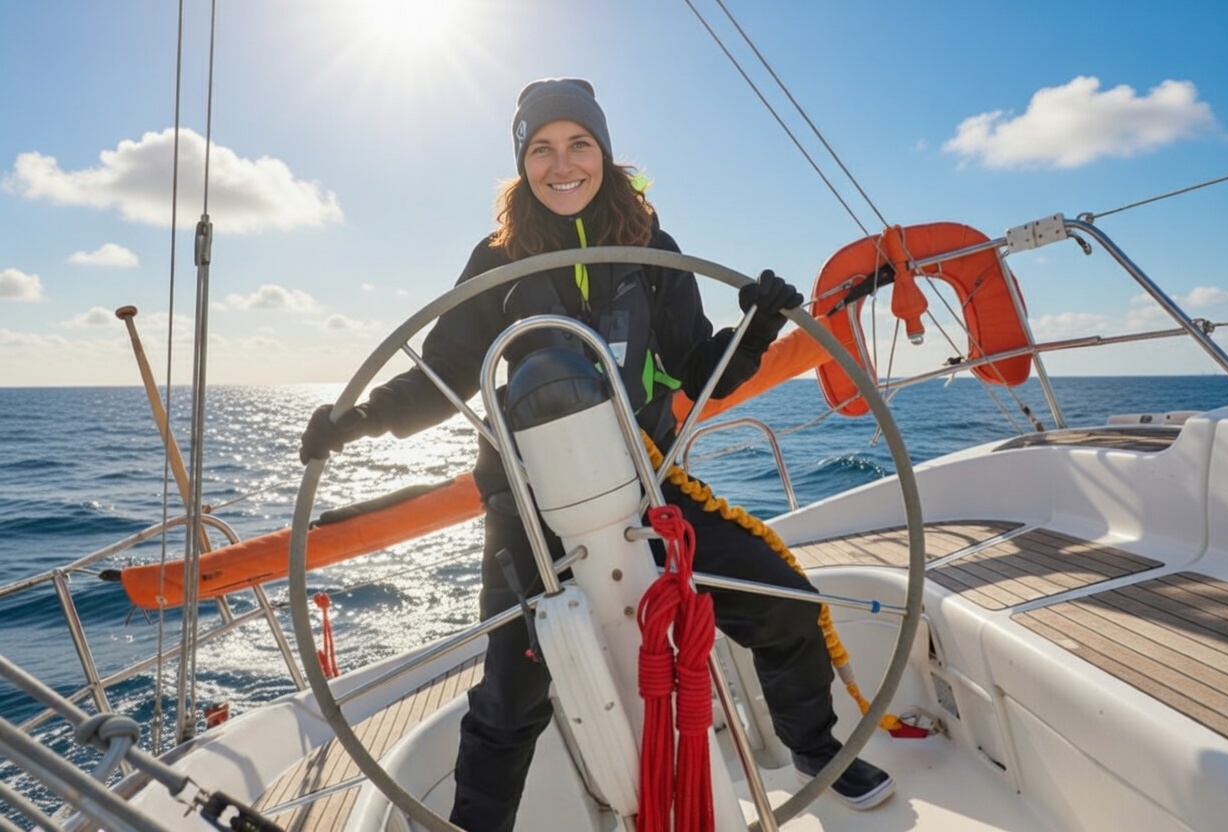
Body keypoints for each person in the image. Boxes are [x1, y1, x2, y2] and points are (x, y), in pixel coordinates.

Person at [300, 77, 895, 830]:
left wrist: (754, 331)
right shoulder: (495, 261)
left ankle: (815, 747)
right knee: (513, 691)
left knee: (781, 600)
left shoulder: (651, 250)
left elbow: (695, 368)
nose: (563, 163)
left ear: (605, 154)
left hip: (641, 479)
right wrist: (352, 423)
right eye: (542, 149)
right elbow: (441, 373)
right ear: (523, 165)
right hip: (526, 501)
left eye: (579, 143)